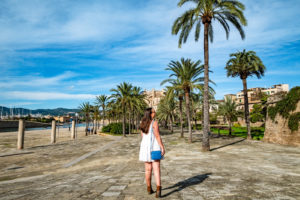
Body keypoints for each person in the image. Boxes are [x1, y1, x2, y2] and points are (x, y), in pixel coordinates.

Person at [139, 107, 165, 198]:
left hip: (144, 148)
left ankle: (149, 188)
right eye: (154, 112)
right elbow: (157, 136)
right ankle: (158, 190)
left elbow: (142, 136)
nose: (155, 113)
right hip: (154, 147)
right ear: (150, 113)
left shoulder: (142, 123)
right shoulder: (154, 123)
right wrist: (162, 146)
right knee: (156, 169)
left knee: (147, 170)